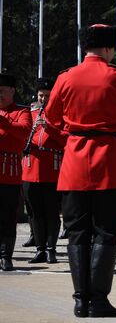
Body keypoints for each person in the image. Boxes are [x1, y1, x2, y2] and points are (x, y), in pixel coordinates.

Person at [45, 24, 116, 317]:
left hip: (74, 162)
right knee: (107, 232)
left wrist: (72, 134)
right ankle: (99, 300)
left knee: (77, 233)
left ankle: (81, 300)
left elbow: (51, 117)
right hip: (110, 162)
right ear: (108, 48)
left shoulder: (66, 78)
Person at [22, 78, 67, 264]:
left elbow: (67, 140)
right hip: (30, 168)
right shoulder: (30, 112)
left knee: (51, 212)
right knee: (35, 212)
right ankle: (40, 248)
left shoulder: (60, 114)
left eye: (47, 96)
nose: (43, 99)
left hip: (51, 169)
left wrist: (50, 128)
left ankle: (51, 249)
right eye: (41, 95)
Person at [0, 73, 32, 271]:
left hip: (9, 172)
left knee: (8, 215)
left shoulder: (22, 111)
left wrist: (3, 122)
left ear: (12, 90)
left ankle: (5, 255)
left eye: (2, 90)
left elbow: (24, 131)